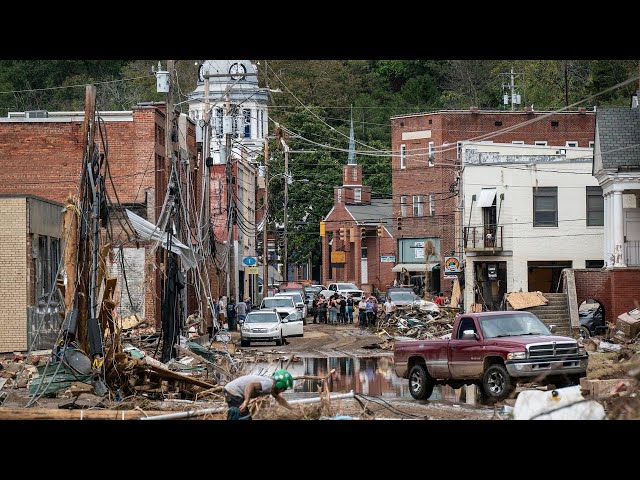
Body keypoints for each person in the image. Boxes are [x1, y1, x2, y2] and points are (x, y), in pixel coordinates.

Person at [223, 369, 295, 420]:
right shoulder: (269, 384)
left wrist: (292, 409)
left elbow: (280, 400)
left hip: (232, 391)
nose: (283, 391)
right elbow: (250, 385)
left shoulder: (272, 388)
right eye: (284, 388)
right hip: (233, 391)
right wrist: (246, 401)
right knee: (243, 417)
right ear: (280, 385)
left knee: (239, 416)